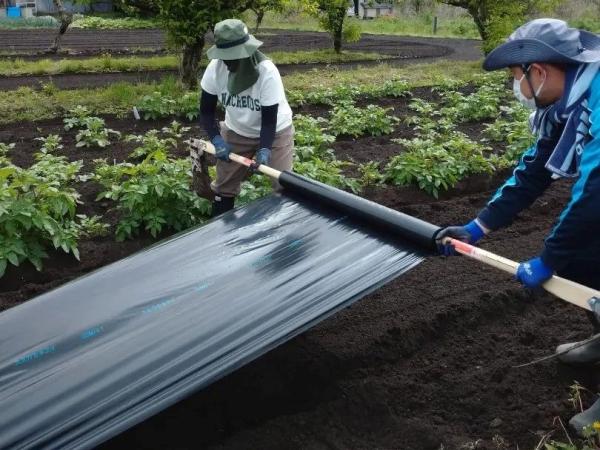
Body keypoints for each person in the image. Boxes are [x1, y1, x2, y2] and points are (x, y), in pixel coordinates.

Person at [435, 18, 600, 435]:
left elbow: (595, 190)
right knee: (583, 260)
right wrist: (478, 227)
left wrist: (549, 256)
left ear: (539, 72)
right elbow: (534, 170)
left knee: (576, 250)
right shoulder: (568, 100)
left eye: (515, 77)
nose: (516, 88)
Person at [199, 19, 294, 216]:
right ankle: (221, 231)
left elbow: (269, 121)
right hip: (236, 130)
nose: (228, 62)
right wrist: (217, 140)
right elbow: (206, 112)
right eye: (225, 57)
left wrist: (265, 149)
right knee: (224, 185)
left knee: (283, 183)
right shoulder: (215, 69)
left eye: (233, 58)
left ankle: (287, 236)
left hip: (275, 132)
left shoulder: (266, 72)